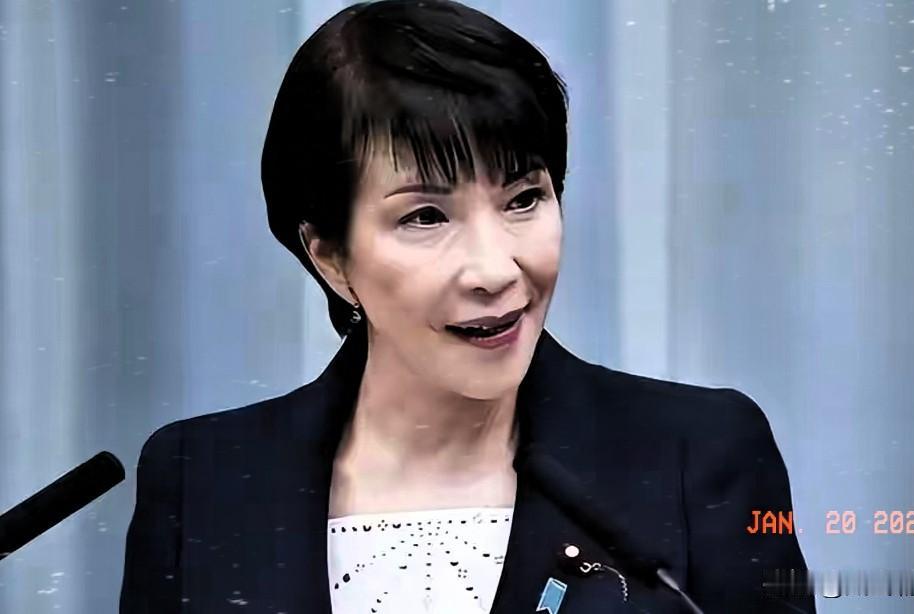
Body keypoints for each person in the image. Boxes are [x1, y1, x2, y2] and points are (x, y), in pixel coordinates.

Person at [119, 1, 815, 612]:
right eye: (425, 216)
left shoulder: (698, 456)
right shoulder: (202, 483)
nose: (495, 269)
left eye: (524, 199)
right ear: (329, 257)